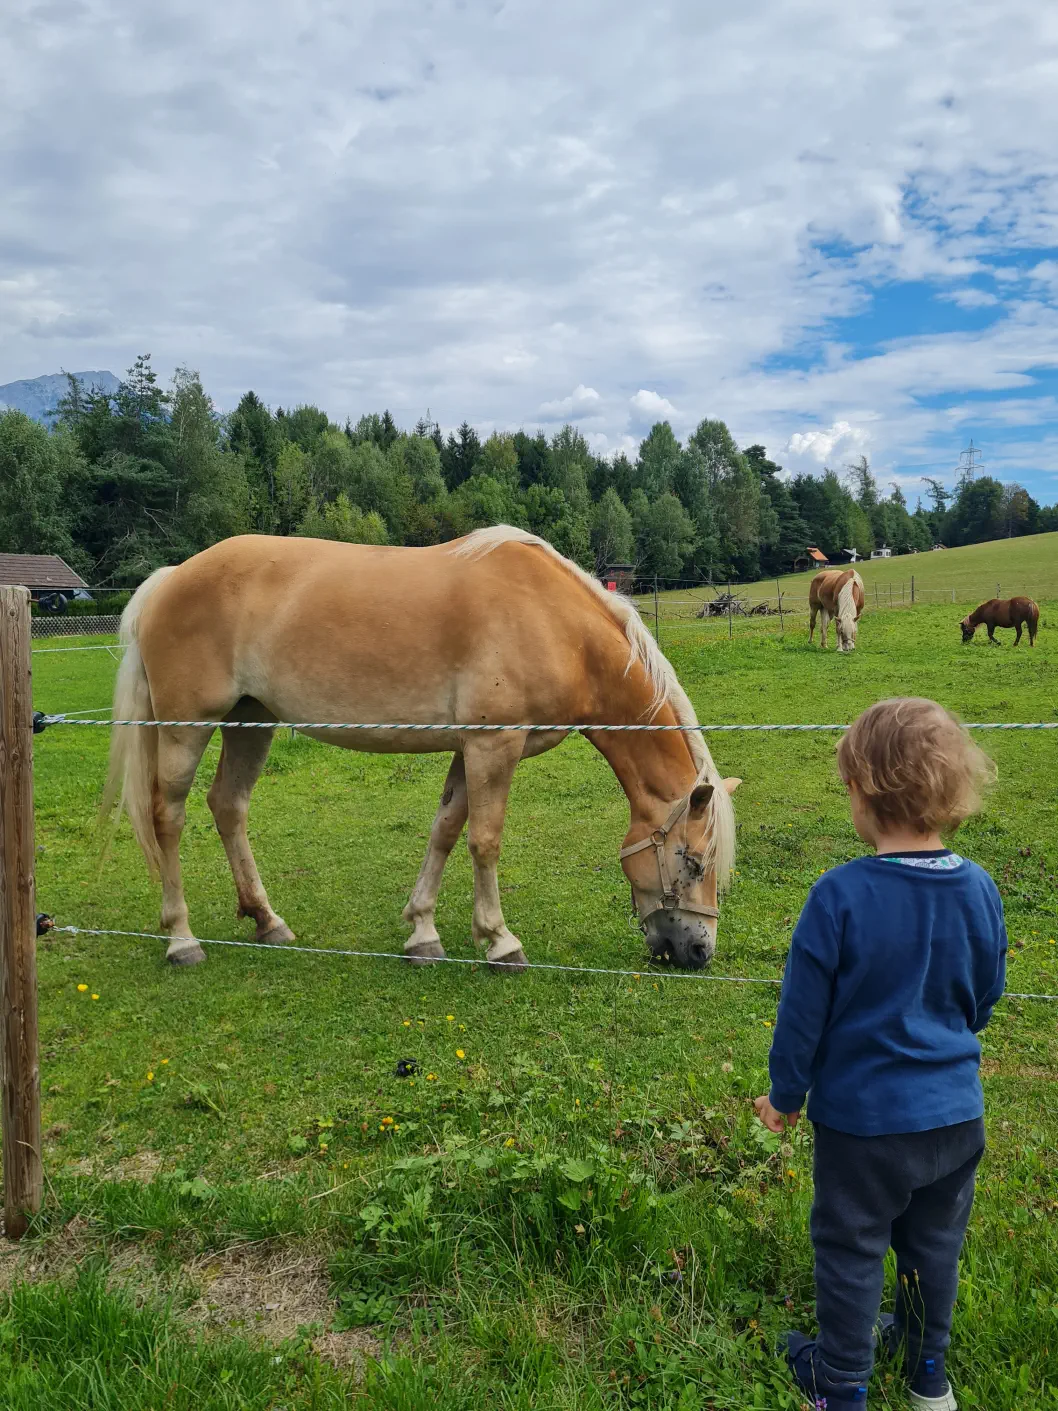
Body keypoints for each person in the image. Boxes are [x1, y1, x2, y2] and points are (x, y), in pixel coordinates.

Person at [754, 697, 1005, 1409]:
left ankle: (839, 1383)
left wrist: (786, 1094)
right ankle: (929, 1377)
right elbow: (985, 993)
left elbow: (803, 1016)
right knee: (934, 1249)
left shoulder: (839, 896)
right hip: (956, 1119)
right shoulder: (980, 887)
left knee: (852, 1247)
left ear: (863, 794)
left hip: (864, 1128)